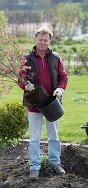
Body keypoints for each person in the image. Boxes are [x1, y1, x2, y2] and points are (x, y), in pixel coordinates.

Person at [17, 28, 68, 180]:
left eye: (46, 40)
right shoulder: (26, 59)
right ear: (35, 40)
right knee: (34, 137)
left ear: (49, 41)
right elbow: (20, 78)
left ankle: (55, 163)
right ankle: (34, 166)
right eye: (40, 39)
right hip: (34, 103)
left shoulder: (56, 58)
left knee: (54, 136)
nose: (43, 42)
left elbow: (63, 77)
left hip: (52, 103)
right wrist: (25, 85)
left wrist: (60, 88)